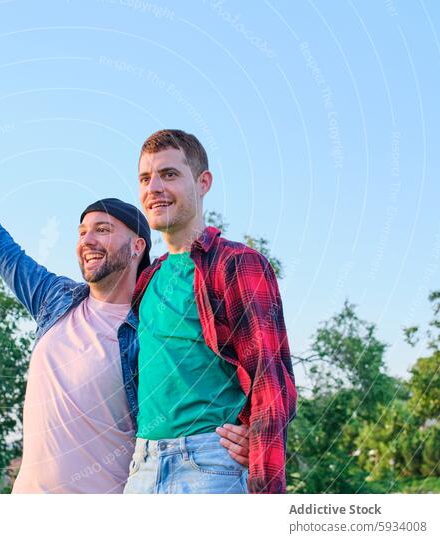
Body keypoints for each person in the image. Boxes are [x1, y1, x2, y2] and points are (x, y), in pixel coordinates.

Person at [0, 133, 250, 493]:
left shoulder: (151, 325)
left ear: (138, 245)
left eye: (102, 230)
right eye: (82, 232)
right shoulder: (54, 300)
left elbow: (218, 374)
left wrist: (251, 433)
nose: (86, 241)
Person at [124, 129, 297, 494]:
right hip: (142, 467)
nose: (153, 187)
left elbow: (271, 378)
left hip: (209, 465)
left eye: (169, 174)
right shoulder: (146, 281)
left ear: (203, 183)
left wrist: (264, 471)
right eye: (145, 178)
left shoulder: (236, 263)